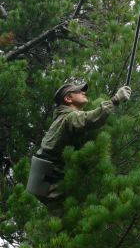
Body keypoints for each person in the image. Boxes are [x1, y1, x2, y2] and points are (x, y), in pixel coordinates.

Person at [27, 82, 131, 210]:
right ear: (68, 98)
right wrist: (115, 100)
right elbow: (88, 119)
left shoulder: (63, 118)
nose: (84, 93)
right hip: (54, 188)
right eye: (79, 91)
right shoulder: (69, 118)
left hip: (47, 184)